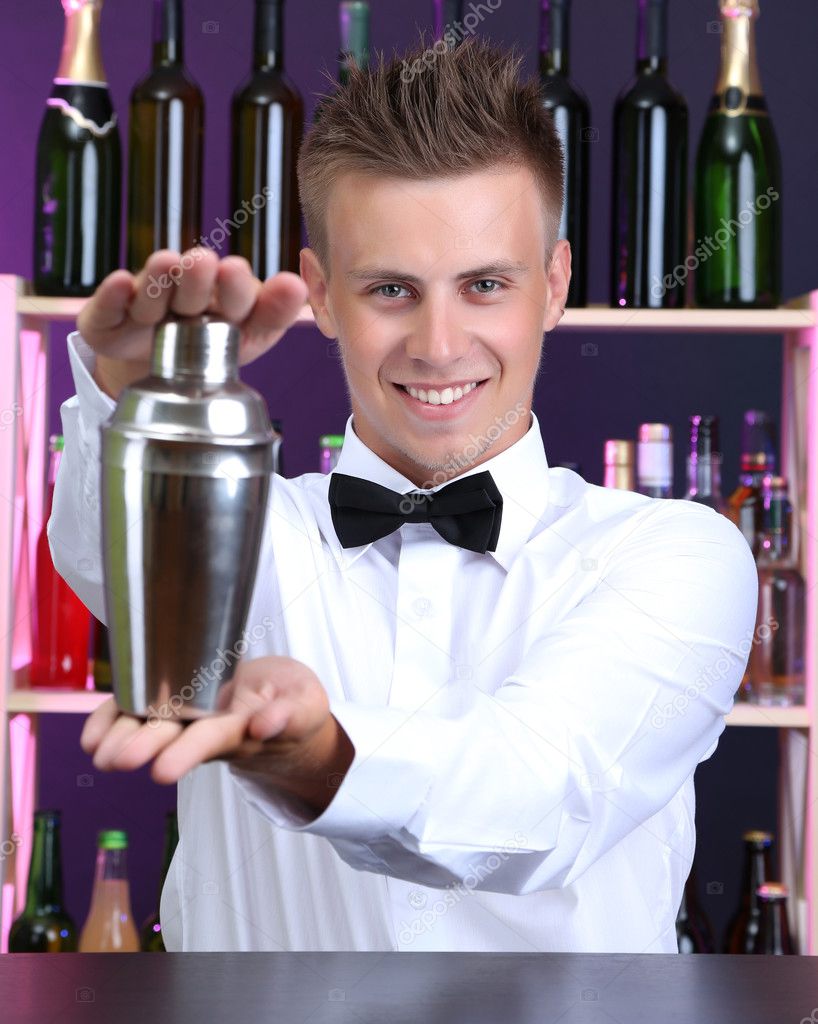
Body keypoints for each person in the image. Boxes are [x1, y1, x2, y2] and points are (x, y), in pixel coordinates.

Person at [49, 36, 757, 953]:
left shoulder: (678, 555)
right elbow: (113, 553)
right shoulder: (243, 524)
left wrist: (321, 762)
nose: (437, 343)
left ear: (553, 286)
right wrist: (134, 402)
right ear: (322, 296)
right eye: (391, 288)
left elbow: (544, 792)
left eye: (485, 285)